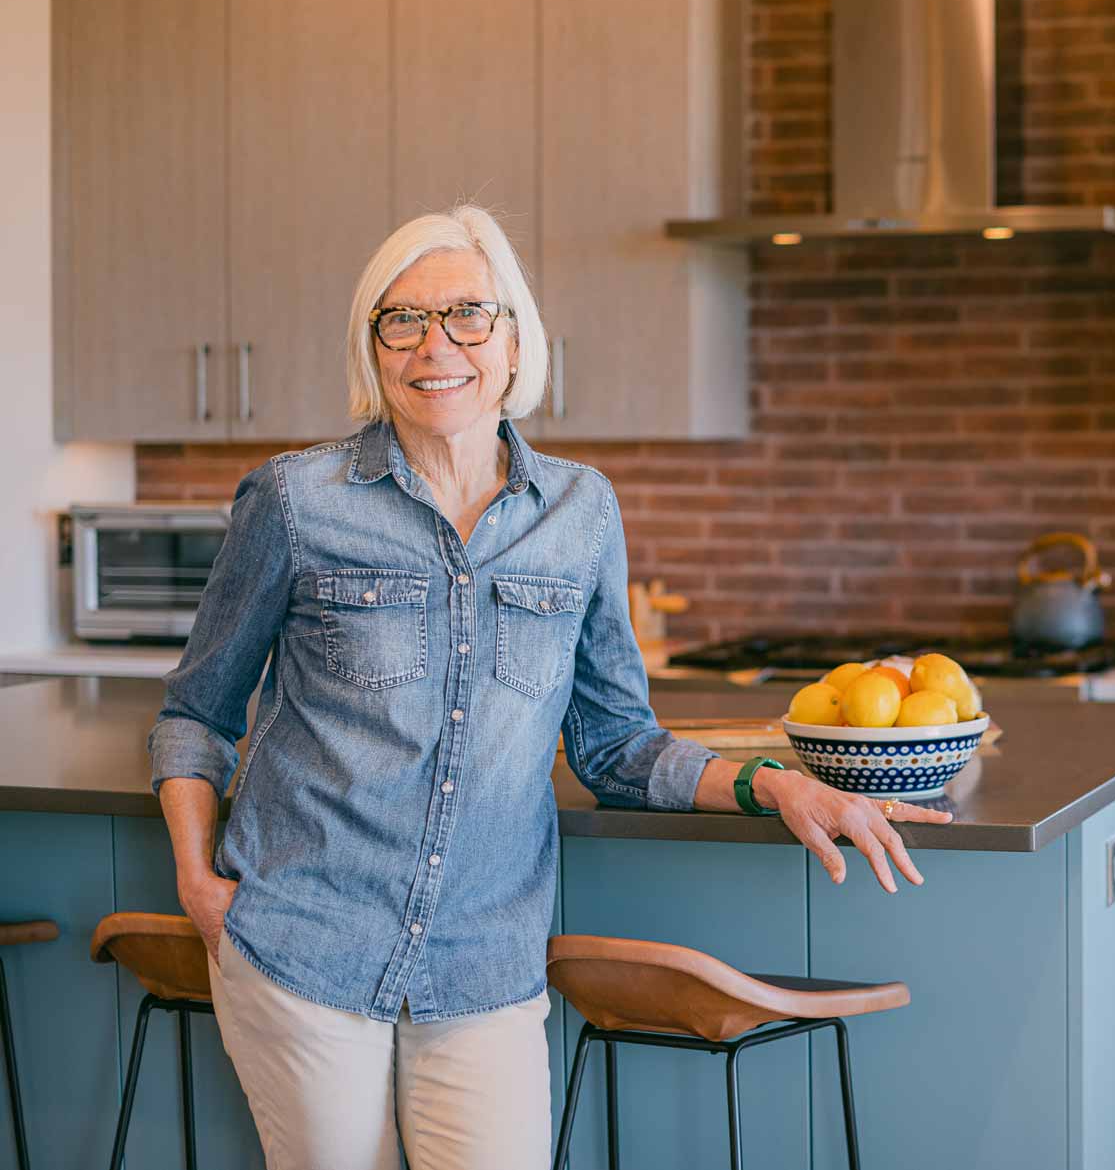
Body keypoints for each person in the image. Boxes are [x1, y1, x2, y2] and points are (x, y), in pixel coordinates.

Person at [148, 205, 950, 1169]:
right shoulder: (294, 500)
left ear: (516, 337)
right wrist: (199, 883)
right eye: (400, 321)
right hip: (305, 944)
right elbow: (196, 710)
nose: (434, 345)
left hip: (485, 964)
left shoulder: (579, 512)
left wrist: (775, 782)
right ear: (373, 348)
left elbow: (616, 743)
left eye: (467, 316)